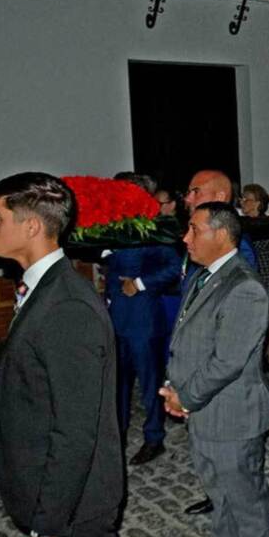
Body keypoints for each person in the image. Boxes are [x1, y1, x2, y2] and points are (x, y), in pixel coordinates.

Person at [0, 172, 124, 537]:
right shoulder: (41, 289)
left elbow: (75, 431)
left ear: (30, 227)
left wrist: (48, 529)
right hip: (54, 497)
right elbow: (36, 386)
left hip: (74, 511)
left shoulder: (67, 308)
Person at [160, 202, 269, 537]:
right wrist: (173, 384)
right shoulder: (202, 276)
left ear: (222, 235)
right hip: (204, 413)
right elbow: (189, 339)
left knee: (247, 503)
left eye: (194, 229)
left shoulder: (244, 287)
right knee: (219, 497)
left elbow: (227, 361)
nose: (185, 237)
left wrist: (186, 396)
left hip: (232, 418)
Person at [106, 173, 181, 465]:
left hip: (142, 319)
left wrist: (139, 283)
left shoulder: (154, 227)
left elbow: (174, 266)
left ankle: (154, 438)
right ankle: (118, 435)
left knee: (150, 383)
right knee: (119, 383)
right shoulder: (115, 225)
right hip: (116, 316)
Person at [241, 183, 269, 369]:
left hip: (268, 273)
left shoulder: (265, 223)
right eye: (242, 199)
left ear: (258, 203)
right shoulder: (244, 223)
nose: (243, 202)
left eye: (247, 199)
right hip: (254, 274)